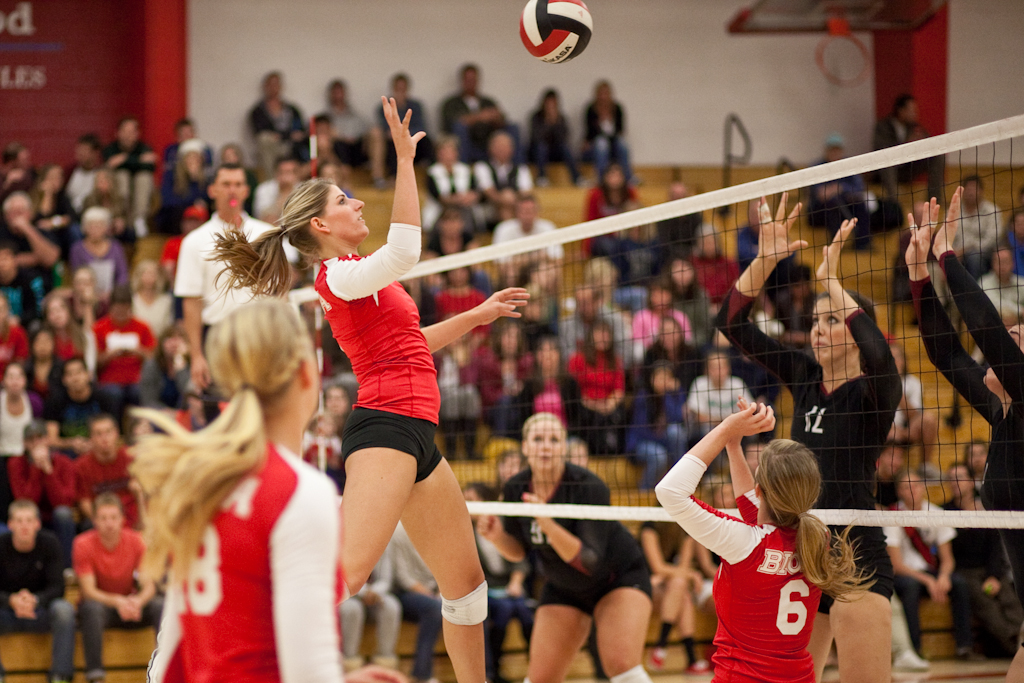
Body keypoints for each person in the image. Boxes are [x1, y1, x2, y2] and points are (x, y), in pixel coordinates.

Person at [213, 98, 530, 683]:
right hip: (384, 427)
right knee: (349, 575)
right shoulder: (337, 275)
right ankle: (226, 643)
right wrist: (406, 160)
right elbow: (407, 250)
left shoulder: (358, 273)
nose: (356, 202)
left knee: (466, 588)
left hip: (418, 433)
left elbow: (409, 345)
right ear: (320, 225)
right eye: (343, 200)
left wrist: (476, 317)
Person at [136, 301, 398, 683]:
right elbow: (310, 673)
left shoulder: (201, 477)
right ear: (307, 375)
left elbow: (175, 645)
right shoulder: (301, 492)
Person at [716, 196, 900, 683]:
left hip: (856, 552)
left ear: (859, 332)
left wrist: (833, 282)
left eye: (832, 320)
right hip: (806, 554)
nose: (818, 330)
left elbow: (882, 359)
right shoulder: (801, 373)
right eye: (816, 320)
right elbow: (731, 324)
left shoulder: (873, 393)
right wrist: (764, 260)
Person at [656, 399, 869, 681]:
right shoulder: (818, 536)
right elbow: (756, 510)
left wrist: (725, 429)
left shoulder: (746, 543)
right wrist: (733, 446)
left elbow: (670, 491)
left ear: (760, 490)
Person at [908, 187, 1024, 681]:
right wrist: (918, 276)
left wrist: (947, 256)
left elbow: (986, 327)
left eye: (1020, 338)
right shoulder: (1001, 409)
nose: (1008, 340)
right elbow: (947, 354)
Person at [478, 413, 654, 683]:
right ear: (525, 447)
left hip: (617, 578)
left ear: (564, 448)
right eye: (537, 439)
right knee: (539, 678)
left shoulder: (589, 486)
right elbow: (519, 552)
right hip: (564, 586)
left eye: (554, 439)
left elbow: (588, 560)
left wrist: (546, 521)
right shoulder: (516, 487)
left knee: (621, 665)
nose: (546, 446)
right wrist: (497, 537)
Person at [174, 162, 293, 392]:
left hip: (261, 335)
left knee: (263, 414)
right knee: (223, 414)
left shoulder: (266, 235)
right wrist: (197, 355)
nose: (232, 190)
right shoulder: (194, 241)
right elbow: (191, 303)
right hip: (218, 337)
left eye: (238, 184)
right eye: (226, 184)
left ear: (246, 191)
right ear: (213, 190)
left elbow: (281, 290)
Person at [885, 468, 976, 659]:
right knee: (911, 588)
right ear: (899, 491)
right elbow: (896, 564)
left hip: (929, 572)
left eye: (916, 485)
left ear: (923, 488)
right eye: (906, 487)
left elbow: (948, 559)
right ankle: (914, 649)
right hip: (906, 574)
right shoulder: (892, 515)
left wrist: (943, 577)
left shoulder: (935, 513)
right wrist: (927, 580)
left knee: (958, 583)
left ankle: (965, 646)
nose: (912, 490)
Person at [74, 492, 163, 683]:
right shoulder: (82, 543)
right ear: (95, 520)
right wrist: (118, 601)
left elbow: (150, 586)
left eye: (114, 517)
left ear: (123, 519)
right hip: (104, 607)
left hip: (131, 606)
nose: (109, 523)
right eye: (103, 518)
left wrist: (137, 601)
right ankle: (95, 674)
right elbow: (88, 591)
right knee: (91, 609)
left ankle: (163, 670)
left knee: (159, 605)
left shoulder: (137, 540)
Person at [945, 463, 1024, 657]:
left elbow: (996, 547)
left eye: (960, 477)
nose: (956, 482)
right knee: (986, 604)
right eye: (951, 478)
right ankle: (1014, 647)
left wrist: (994, 575)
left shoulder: (986, 508)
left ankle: (1019, 638)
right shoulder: (944, 511)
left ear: (972, 482)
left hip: (989, 569)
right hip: (964, 571)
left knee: (1009, 599)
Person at [464, 483, 533, 683]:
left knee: (525, 613)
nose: (467, 504)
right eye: (465, 500)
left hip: (509, 586)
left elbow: (520, 559)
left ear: (485, 502)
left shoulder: (501, 523)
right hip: (485, 589)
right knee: (502, 610)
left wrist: (516, 582)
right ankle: (492, 672)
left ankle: (536, 670)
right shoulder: (464, 530)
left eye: (472, 499)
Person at [0, 499, 75, 683]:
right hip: (7, 613)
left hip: (40, 611)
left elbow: (58, 588)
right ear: (10, 525)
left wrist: (35, 600)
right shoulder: (1, 545)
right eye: (19, 521)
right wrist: (11, 600)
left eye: (29, 520)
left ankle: (60, 676)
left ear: (37, 524)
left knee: (64, 610)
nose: (24, 526)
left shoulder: (50, 543)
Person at [638, 520, 708, 674]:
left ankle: (661, 647)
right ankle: (691, 659)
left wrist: (672, 575)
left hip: (668, 586)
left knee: (680, 587)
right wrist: (691, 574)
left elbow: (680, 569)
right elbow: (657, 567)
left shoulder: (687, 528)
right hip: (643, 586)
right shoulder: (650, 527)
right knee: (680, 587)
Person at [7, 421, 76, 566]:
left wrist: (48, 471)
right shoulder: (15, 463)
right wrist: (36, 469)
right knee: (27, 514)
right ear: (24, 444)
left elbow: (63, 502)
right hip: (32, 516)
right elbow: (25, 502)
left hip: (55, 516)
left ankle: (66, 569)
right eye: (31, 440)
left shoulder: (64, 462)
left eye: (40, 438)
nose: (36, 444)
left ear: (48, 440)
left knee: (63, 513)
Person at [390, 521, 446, 683]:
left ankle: (484, 675)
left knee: (470, 606)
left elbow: (442, 568)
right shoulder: (398, 531)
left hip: (434, 592)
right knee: (434, 608)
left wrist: (442, 591)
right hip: (405, 593)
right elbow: (402, 577)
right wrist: (431, 594)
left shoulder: (435, 530)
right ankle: (422, 674)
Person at [340, 543, 403, 671]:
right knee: (352, 609)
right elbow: (343, 575)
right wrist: (363, 592)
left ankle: (385, 661)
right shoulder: (346, 540)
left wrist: (374, 592)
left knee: (391, 605)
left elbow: (386, 580)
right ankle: (350, 662)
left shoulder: (384, 541)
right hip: (347, 593)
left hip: (375, 593)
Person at [93, 284, 156, 411]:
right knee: (114, 394)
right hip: (109, 379)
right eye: (117, 311)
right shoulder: (99, 328)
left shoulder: (142, 327)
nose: (120, 314)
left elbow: (153, 357)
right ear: (110, 308)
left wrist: (138, 351)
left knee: (137, 392)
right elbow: (94, 361)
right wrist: (111, 354)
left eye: (124, 310)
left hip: (136, 378)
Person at [873, 94, 945, 204]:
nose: (915, 114)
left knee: (937, 157)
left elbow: (930, 143)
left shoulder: (914, 127)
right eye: (911, 110)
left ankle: (934, 201)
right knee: (888, 164)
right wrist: (906, 144)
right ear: (901, 111)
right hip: (888, 169)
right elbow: (882, 149)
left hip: (907, 169)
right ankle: (894, 205)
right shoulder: (883, 126)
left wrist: (921, 143)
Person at [440, 64, 518, 164]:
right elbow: (452, 122)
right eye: (468, 80)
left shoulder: (487, 102)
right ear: (462, 81)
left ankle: (517, 168)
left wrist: (495, 117)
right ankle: (463, 167)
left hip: (487, 142)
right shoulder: (451, 103)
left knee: (513, 127)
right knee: (460, 128)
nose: (471, 83)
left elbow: (501, 119)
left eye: (473, 80)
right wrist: (480, 117)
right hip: (466, 142)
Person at [627, 361, 687, 491]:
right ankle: (644, 492)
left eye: (667, 377)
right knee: (659, 455)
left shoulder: (670, 395)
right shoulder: (643, 396)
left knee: (676, 432)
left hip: (660, 441)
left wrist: (676, 393)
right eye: (660, 377)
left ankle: (679, 481)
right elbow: (642, 432)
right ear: (652, 379)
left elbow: (678, 418)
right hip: (640, 444)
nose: (663, 381)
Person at [74, 413, 141, 529]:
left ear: (116, 434)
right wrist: (103, 523)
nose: (104, 438)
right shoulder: (82, 466)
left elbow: (142, 493)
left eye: (108, 432)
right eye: (98, 434)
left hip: (132, 517)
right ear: (91, 439)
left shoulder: (131, 457)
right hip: (101, 520)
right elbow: (85, 503)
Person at [807, 134, 871, 251]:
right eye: (832, 150)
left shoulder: (849, 165)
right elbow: (819, 193)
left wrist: (841, 188)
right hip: (820, 209)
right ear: (826, 151)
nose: (835, 153)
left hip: (846, 204)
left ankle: (863, 244)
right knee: (833, 203)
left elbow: (859, 188)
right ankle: (836, 245)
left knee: (861, 205)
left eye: (837, 150)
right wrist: (830, 191)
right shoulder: (817, 166)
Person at [44, 358, 118, 455]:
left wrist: (94, 443)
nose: (75, 378)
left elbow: (116, 435)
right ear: (64, 380)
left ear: (89, 375)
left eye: (79, 372)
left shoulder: (104, 398)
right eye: (70, 374)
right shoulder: (55, 401)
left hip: (98, 449)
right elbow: (51, 439)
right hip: (67, 451)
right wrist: (71, 443)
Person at [888, 341, 939, 470]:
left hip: (905, 432)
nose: (894, 362)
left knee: (928, 419)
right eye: (890, 358)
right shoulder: (875, 382)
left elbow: (915, 415)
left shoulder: (913, 383)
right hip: (882, 430)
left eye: (897, 357)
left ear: (903, 361)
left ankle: (925, 467)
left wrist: (896, 388)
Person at [102, 117, 157, 236]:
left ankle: (139, 219)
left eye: (132, 132)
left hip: (138, 191)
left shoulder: (144, 147)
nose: (128, 135)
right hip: (119, 193)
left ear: (138, 133)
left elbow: (150, 167)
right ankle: (122, 217)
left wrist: (124, 159)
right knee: (123, 176)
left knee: (144, 177)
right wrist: (139, 160)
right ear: (118, 133)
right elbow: (110, 165)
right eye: (125, 131)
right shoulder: (110, 148)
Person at [248, 71, 307, 180]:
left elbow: (300, 132)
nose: (273, 87)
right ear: (265, 87)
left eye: (276, 84)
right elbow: (260, 132)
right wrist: (288, 135)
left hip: (290, 147)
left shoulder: (292, 109)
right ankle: (273, 180)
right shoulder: (258, 111)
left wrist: (282, 136)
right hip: (271, 148)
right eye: (270, 84)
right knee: (265, 139)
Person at [375, 73, 433, 181]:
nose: (401, 91)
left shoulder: (416, 106)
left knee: (427, 141)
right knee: (394, 143)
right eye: (398, 88)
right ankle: (393, 176)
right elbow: (383, 126)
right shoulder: (384, 106)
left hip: (412, 140)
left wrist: (404, 133)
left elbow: (420, 126)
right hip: (393, 141)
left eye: (403, 88)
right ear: (393, 88)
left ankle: (431, 174)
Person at [685, 348, 753, 442]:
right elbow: (699, 416)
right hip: (708, 430)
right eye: (714, 367)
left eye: (722, 366)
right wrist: (726, 422)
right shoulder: (700, 384)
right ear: (707, 369)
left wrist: (725, 423)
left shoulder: (737, 384)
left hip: (735, 428)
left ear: (728, 368)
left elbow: (747, 411)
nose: (718, 371)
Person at [70, 207, 130, 301]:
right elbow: (77, 274)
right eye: (91, 226)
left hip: (113, 296)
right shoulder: (77, 249)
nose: (95, 229)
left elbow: (122, 275)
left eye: (98, 225)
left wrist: (113, 293)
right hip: (86, 295)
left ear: (106, 227)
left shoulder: (116, 247)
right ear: (85, 227)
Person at [474, 131, 533, 228]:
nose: (502, 149)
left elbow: (526, 193)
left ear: (512, 149)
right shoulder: (482, 167)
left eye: (505, 146)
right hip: (490, 208)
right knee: (505, 208)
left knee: (515, 210)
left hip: (515, 208)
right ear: (490, 148)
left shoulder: (521, 168)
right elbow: (488, 192)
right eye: (498, 146)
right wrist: (505, 199)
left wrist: (512, 200)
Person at [424, 136, 481, 233]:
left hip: (465, 208)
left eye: (451, 151)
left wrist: (470, 197)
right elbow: (438, 197)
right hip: (440, 210)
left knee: (466, 215)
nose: (448, 154)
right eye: (444, 151)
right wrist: (458, 199)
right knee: (449, 215)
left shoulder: (466, 170)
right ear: (438, 153)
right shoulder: (432, 172)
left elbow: (475, 191)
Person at [955, 175, 1004, 279]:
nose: (970, 192)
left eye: (974, 188)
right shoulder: (953, 211)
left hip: (984, 253)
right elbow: (948, 237)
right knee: (944, 261)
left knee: (974, 257)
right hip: (957, 253)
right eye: (968, 189)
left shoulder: (992, 210)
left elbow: (992, 239)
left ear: (981, 191)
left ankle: (976, 292)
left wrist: (966, 249)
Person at [583, 81, 632, 183]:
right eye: (601, 93)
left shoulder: (617, 109)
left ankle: (628, 178)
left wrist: (609, 124)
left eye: (606, 93)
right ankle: (602, 179)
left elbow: (620, 130)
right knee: (602, 143)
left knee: (622, 143)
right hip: (596, 145)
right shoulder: (591, 109)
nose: (603, 97)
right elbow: (590, 133)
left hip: (613, 144)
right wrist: (600, 124)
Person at [529, 89, 581, 187]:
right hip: (539, 152)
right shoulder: (536, 117)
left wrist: (555, 123)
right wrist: (547, 123)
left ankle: (577, 178)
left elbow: (564, 138)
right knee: (541, 147)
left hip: (556, 152)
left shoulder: (561, 118)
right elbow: (536, 138)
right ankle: (541, 177)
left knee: (565, 148)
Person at [0, 192, 61, 271]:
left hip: (40, 278)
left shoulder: (42, 231)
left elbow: (51, 259)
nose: (18, 216)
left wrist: (26, 228)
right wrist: (35, 258)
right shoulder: (2, 233)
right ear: (6, 216)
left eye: (21, 212)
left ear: (30, 213)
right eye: (13, 212)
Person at [139, 327, 190, 412]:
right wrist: (167, 412)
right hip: (158, 415)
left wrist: (180, 367)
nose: (174, 344)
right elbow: (148, 401)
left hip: (185, 416)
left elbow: (190, 395)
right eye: (170, 338)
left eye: (179, 339)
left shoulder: (192, 365)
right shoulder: (152, 366)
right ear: (161, 343)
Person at [29, 164, 73, 258]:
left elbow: (70, 217)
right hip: (39, 234)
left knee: (73, 231)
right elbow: (41, 216)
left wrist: (53, 223)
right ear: (43, 179)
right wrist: (47, 194)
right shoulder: (34, 196)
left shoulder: (63, 196)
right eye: (53, 177)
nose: (57, 181)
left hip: (60, 233)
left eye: (59, 177)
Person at [132, 259, 173, 338]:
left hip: (161, 344)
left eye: (152, 274)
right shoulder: (132, 300)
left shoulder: (166, 300)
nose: (149, 277)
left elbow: (169, 327)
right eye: (145, 273)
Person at [253, 156, 300, 225]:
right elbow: (265, 221)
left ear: (297, 174)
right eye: (282, 172)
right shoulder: (264, 189)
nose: (285, 178)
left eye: (289, 172)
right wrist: (284, 193)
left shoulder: (304, 190)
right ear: (276, 173)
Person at [66, 133, 103, 215]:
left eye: (85, 150)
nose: (80, 153)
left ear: (95, 153)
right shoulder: (69, 172)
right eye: (79, 149)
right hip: (70, 215)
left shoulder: (101, 174)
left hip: (93, 215)